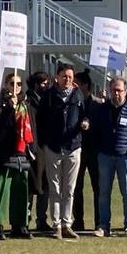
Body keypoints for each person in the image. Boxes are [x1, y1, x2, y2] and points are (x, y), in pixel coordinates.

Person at [35, 63, 88, 239]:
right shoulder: (49, 96)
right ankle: (56, 224)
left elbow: (86, 114)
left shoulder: (78, 95)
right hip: (53, 148)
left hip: (73, 147)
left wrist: (85, 122)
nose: (67, 80)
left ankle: (67, 223)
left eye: (70, 77)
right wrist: (44, 144)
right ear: (57, 77)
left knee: (69, 188)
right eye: (64, 76)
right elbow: (40, 121)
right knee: (55, 187)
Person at [92, 77, 127, 237]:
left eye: (119, 90)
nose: (116, 93)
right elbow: (94, 132)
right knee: (104, 192)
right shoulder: (102, 109)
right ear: (110, 91)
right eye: (114, 90)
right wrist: (99, 150)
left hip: (125, 157)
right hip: (105, 157)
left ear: (125, 91)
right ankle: (104, 225)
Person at [0, 74, 33, 240]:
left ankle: (19, 225)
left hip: (21, 152)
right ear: (6, 84)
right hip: (3, 152)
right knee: (1, 189)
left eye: (19, 83)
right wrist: (8, 109)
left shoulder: (24, 104)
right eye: (12, 83)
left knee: (21, 189)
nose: (16, 86)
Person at [72, 69, 103, 233]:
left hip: (95, 150)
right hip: (77, 148)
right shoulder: (73, 101)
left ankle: (100, 221)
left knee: (98, 187)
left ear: (85, 85)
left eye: (76, 84)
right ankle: (78, 220)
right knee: (76, 186)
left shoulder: (98, 104)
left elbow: (103, 127)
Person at [26, 71, 52, 232]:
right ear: (36, 84)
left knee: (45, 185)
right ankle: (25, 219)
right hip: (32, 148)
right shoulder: (28, 101)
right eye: (43, 83)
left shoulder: (47, 100)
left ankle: (41, 219)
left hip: (45, 147)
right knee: (30, 185)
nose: (46, 86)